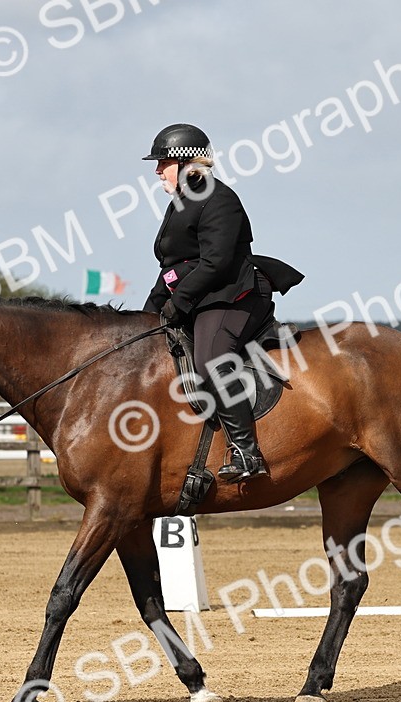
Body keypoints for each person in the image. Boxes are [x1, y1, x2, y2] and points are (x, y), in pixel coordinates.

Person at [141, 123, 273, 484]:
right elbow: (171, 268)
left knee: (211, 359)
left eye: (162, 162)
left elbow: (215, 263)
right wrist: (147, 314)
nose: (156, 171)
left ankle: (247, 452)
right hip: (203, 296)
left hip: (234, 295)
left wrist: (179, 303)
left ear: (185, 164)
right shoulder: (181, 204)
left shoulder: (219, 199)